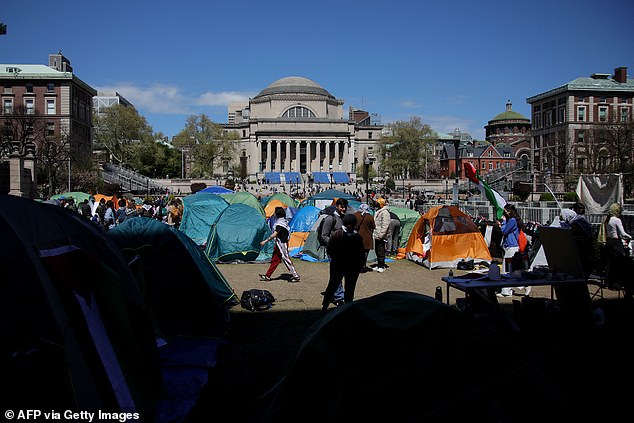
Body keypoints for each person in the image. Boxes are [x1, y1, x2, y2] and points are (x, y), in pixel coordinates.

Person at [322, 214, 365, 312]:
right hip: (351, 267)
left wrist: (333, 260)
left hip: (338, 265)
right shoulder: (357, 237)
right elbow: (361, 254)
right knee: (349, 287)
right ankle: (347, 308)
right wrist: (359, 265)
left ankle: (325, 306)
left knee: (333, 285)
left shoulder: (337, 234)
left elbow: (330, 249)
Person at [318, 198, 349, 305]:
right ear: (337, 206)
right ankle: (339, 297)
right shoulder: (330, 219)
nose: (344, 209)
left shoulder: (344, 218)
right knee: (337, 273)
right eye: (342, 207)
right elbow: (323, 236)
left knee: (338, 274)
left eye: (345, 207)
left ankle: (333, 293)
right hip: (334, 250)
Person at [598, 203, 632, 295]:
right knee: (618, 263)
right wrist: (630, 237)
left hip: (609, 242)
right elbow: (623, 233)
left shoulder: (606, 219)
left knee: (609, 263)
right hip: (616, 243)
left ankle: (608, 282)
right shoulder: (617, 220)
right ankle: (617, 283)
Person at [260, 206, 301, 283]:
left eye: (275, 212)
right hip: (279, 244)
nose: (273, 213)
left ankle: (295, 276)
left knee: (286, 258)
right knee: (275, 259)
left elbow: (275, 234)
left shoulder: (280, 223)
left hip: (282, 243)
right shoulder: (283, 221)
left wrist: (265, 241)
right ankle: (268, 276)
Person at [497, 204, 520, 297]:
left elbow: (505, 231)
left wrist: (502, 224)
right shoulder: (513, 220)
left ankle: (506, 291)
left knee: (506, 270)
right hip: (510, 246)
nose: (504, 213)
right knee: (512, 270)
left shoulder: (512, 221)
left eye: (505, 211)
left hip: (512, 247)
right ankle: (519, 287)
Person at [354, 203, 375, 273]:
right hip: (367, 238)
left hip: (357, 237)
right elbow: (373, 227)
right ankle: (363, 266)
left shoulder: (355, 215)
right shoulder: (370, 217)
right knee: (365, 253)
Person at [372, 197, 391, 272]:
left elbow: (385, 225)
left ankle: (382, 265)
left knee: (381, 250)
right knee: (377, 249)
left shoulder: (385, 212)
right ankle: (378, 264)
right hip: (377, 233)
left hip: (381, 235)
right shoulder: (379, 211)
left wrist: (381, 235)